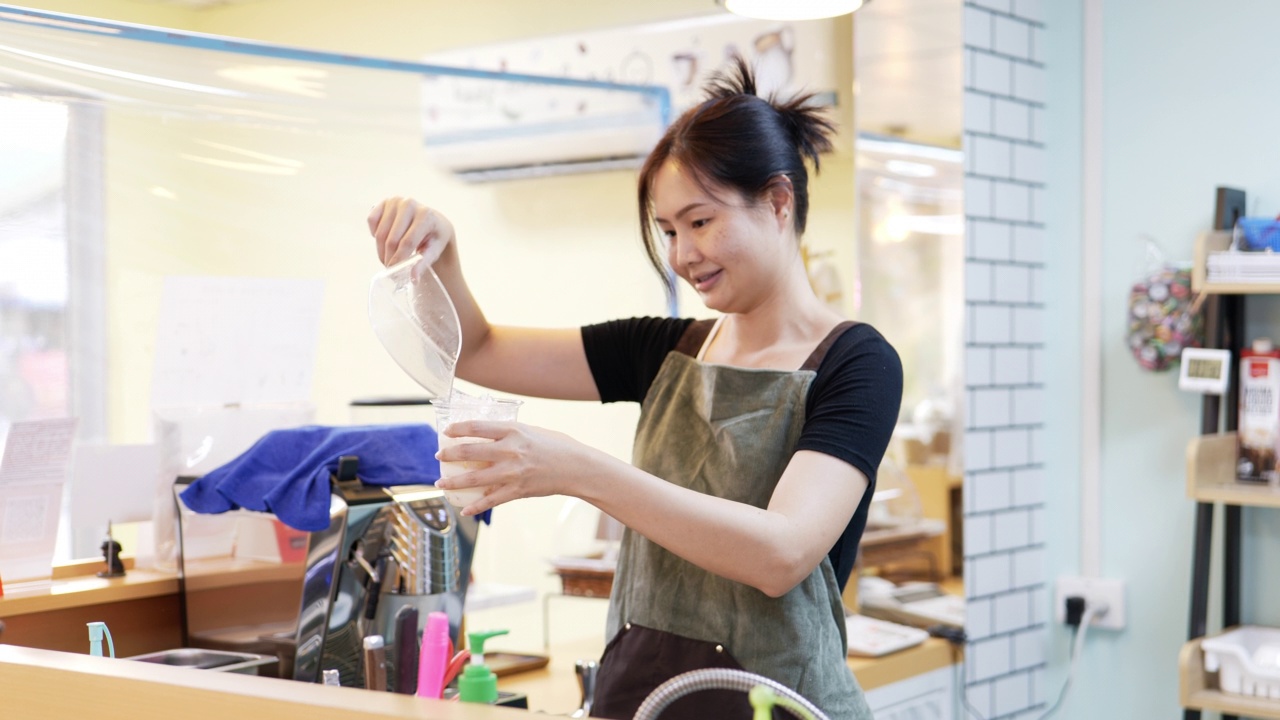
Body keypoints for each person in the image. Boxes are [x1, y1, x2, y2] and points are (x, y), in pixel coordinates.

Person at [367, 58, 901, 720]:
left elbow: (781, 552)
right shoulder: (661, 348)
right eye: (668, 230)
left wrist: (575, 469)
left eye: (700, 222)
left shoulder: (857, 363)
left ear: (778, 200)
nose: (681, 255)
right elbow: (478, 350)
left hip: (780, 705)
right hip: (642, 699)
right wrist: (441, 254)